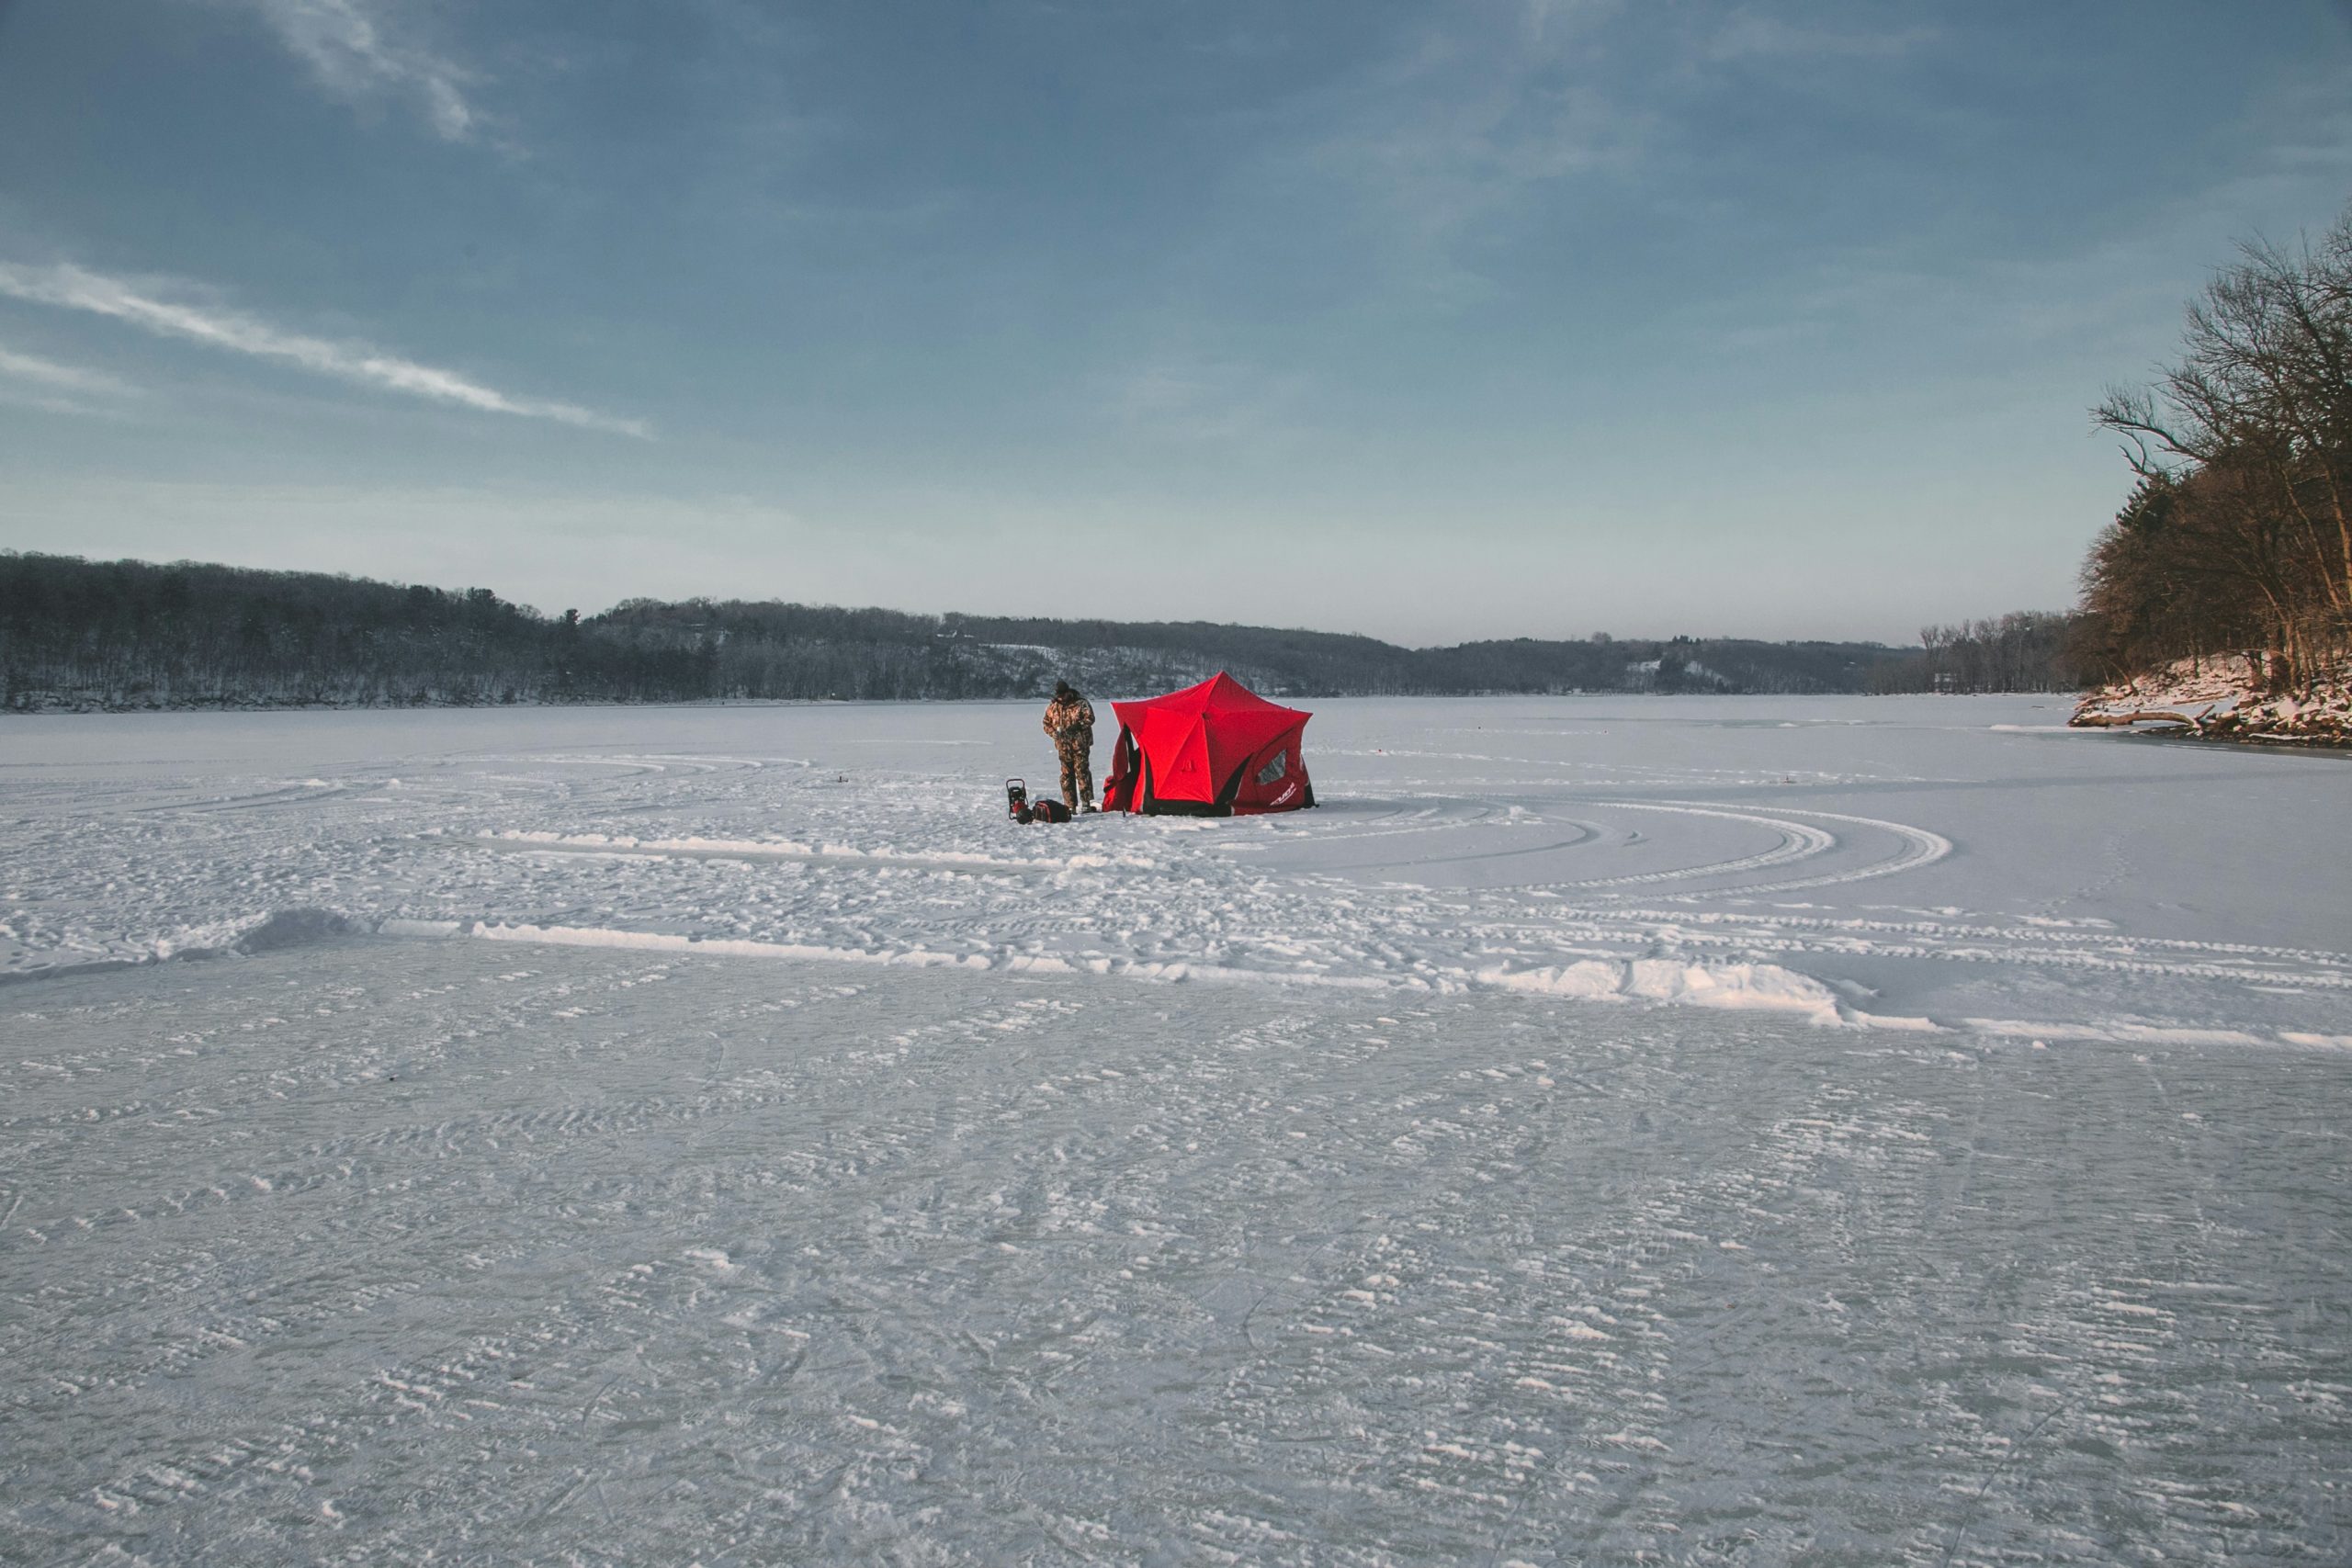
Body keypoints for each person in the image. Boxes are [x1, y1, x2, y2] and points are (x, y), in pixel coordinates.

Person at [1042, 679, 1096, 812]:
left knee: (1082, 772)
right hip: (1063, 747)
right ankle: (1070, 805)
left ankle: (1086, 803)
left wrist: (1078, 726)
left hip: (1080, 746)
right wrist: (1054, 733)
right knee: (1066, 775)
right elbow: (1046, 723)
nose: (1060, 697)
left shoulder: (1081, 703)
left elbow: (1090, 718)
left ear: (1068, 693)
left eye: (1062, 694)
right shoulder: (1053, 707)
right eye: (1058, 695)